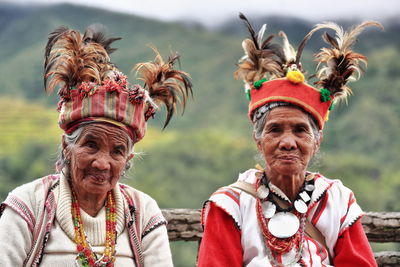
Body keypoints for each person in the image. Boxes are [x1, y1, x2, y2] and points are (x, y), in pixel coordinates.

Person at [0, 25, 192, 267]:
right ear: (66, 147)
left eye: (117, 151)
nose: (102, 163)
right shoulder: (29, 205)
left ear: (128, 159)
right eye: (90, 145)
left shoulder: (143, 213)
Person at [198, 14, 381, 267]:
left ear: (317, 141)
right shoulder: (230, 205)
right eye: (274, 130)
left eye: (300, 130)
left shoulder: (336, 200)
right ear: (258, 140)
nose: (288, 142)